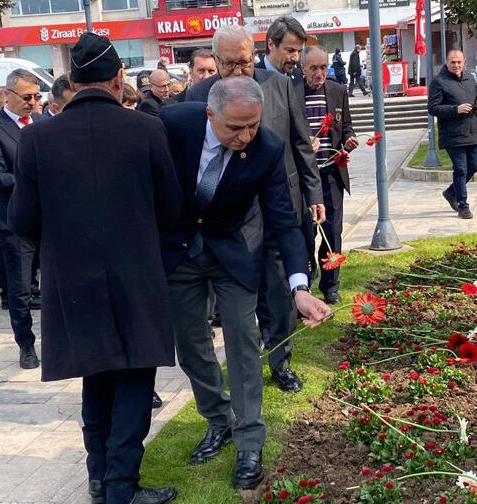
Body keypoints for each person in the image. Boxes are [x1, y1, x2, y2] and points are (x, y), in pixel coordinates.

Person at [9, 33, 182, 504]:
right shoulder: (145, 129)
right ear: (118, 77)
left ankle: (101, 479)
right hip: (136, 274)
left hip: (72, 278)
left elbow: (21, 220)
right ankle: (120, 487)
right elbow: (172, 211)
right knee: (132, 380)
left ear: (72, 80)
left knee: (97, 378)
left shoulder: (36, 136)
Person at [160, 76, 332, 489]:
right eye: (234, 128)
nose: (245, 136)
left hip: (232, 253)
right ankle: (218, 420)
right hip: (179, 249)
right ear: (209, 114)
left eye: (252, 125)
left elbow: (284, 221)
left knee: (242, 338)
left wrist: (300, 287)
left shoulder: (267, 147)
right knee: (191, 344)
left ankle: (249, 442)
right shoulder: (172, 124)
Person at [184, 25, 324, 394]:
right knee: (228, 306)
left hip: (275, 207)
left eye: (244, 61)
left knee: (280, 293)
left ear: (254, 54)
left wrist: (313, 193)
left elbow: (299, 143)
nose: (238, 70)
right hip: (227, 223)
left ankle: (281, 361)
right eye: (229, 64)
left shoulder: (278, 86)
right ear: (215, 62)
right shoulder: (196, 97)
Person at [0, 69, 44, 369]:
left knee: (56, 284)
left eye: (37, 96)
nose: (32, 102)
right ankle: (26, 345)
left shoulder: (43, 124)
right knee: (19, 289)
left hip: (49, 219)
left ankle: (58, 339)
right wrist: (37, 181)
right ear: (8, 95)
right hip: (14, 222)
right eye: (27, 96)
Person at [301, 45, 357, 304]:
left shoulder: (338, 91)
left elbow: (346, 126)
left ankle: (331, 285)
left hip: (332, 172)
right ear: (303, 68)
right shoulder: (292, 93)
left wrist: (349, 139)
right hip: (303, 178)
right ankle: (306, 282)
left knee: (332, 232)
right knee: (305, 233)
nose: (319, 73)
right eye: (313, 68)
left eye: (323, 67)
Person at [427, 48, 477, 220]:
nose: (457, 65)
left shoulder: (469, 78)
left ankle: (451, 192)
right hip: (452, 134)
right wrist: (455, 109)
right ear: (447, 62)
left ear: (464, 62)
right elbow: (433, 108)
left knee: (473, 167)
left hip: (471, 130)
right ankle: (463, 205)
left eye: (459, 62)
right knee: (460, 169)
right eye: (453, 62)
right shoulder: (439, 82)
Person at [256, 16, 305, 87]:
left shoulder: (299, 78)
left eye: (299, 51)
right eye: (290, 50)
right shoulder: (252, 79)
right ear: (271, 45)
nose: (296, 58)